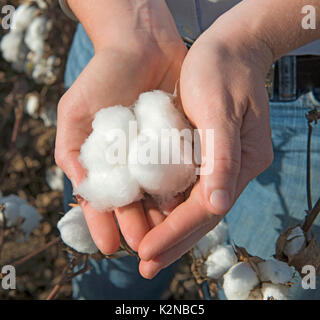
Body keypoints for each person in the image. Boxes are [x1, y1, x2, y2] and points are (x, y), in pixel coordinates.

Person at [55, 0, 320, 299]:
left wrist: (254, 37)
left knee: (273, 273)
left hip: (301, 87)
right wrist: (123, 21)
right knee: (111, 284)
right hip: (110, 42)